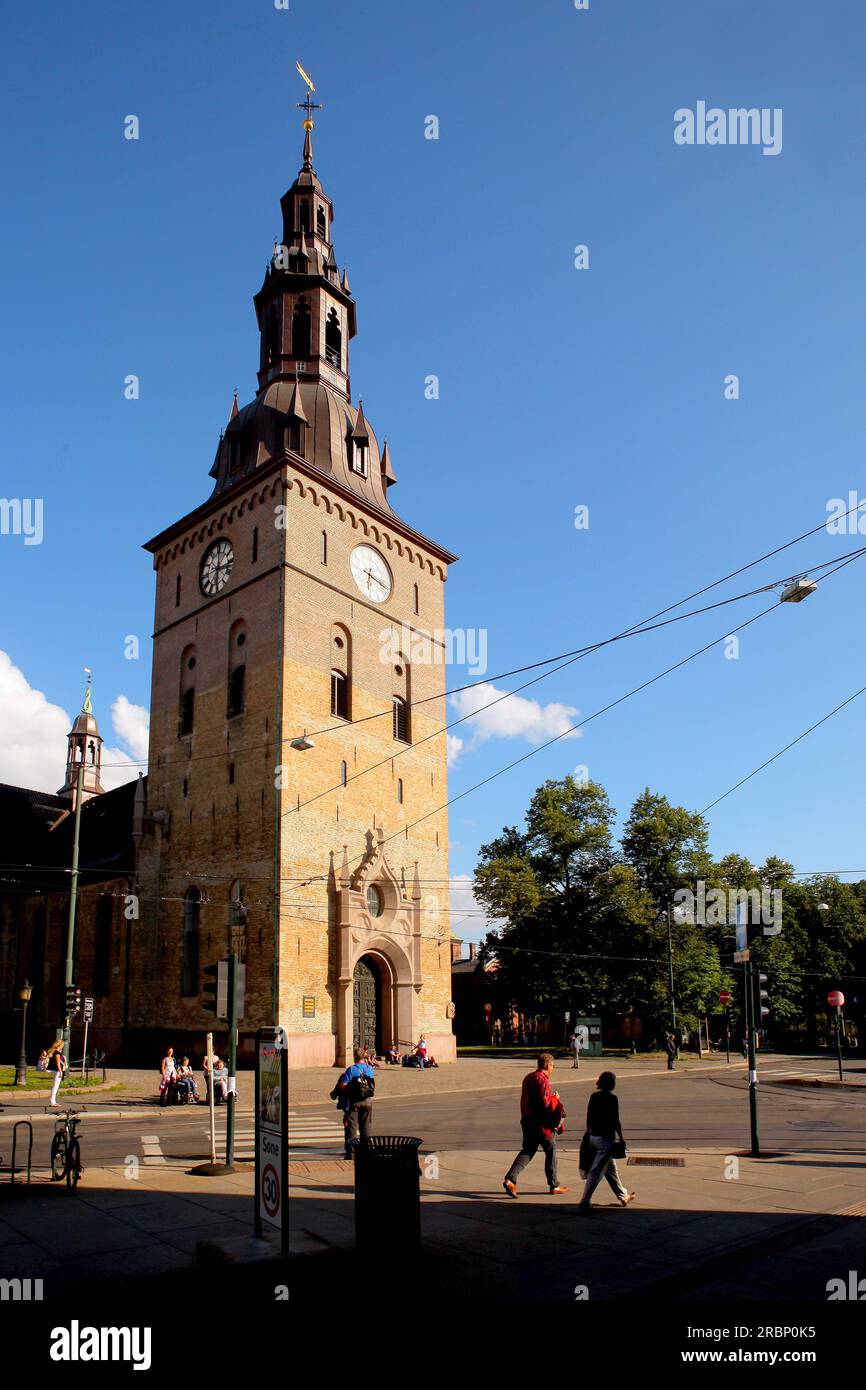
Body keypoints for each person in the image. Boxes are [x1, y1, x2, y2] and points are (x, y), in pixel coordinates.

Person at [502, 1052, 568, 1197]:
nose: (553, 1068)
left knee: (528, 1150)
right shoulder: (542, 1080)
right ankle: (553, 1185)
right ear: (549, 1065)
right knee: (551, 1149)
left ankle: (510, 1179)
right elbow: (545, 1104)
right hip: (541, 1124)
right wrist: (555, 1098)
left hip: (527, 1120)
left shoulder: (528, 1077)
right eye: (553, 1066)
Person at [577, 1071, 635, 1211]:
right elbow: (616, 1120)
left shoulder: (594, 1096)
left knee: (611, 1169)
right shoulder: (612, 1098)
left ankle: (623, 1195)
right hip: (605, 1139)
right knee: (596, 1172)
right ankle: (585, 1201)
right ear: (612, 1083)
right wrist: (621, 1137)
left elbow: (589, 1116)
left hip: (593, 1137)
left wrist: (587, 1132)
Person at [334, 1045, 376, 1158]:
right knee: (366, 1127)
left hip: (354, 1102)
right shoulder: (369, 1069)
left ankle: (351, 1153)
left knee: (351, 1128)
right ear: (364, 1056)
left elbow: (342, 1085)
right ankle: (366, 1151)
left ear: (354, 1057)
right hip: (367, 1101)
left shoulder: (352, 1069)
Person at [47, 1040, 67, 1107]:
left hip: (55, 1071)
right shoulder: (57, 1053)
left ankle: (53, 1101)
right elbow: (58, 1063)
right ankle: (53, 1102)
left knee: (55, 1086)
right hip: (57, 1071)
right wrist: (60, 1071)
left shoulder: (55, 1052)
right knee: (55, 1086)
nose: (63, 1046)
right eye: (62, 1045)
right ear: (59, 1045)